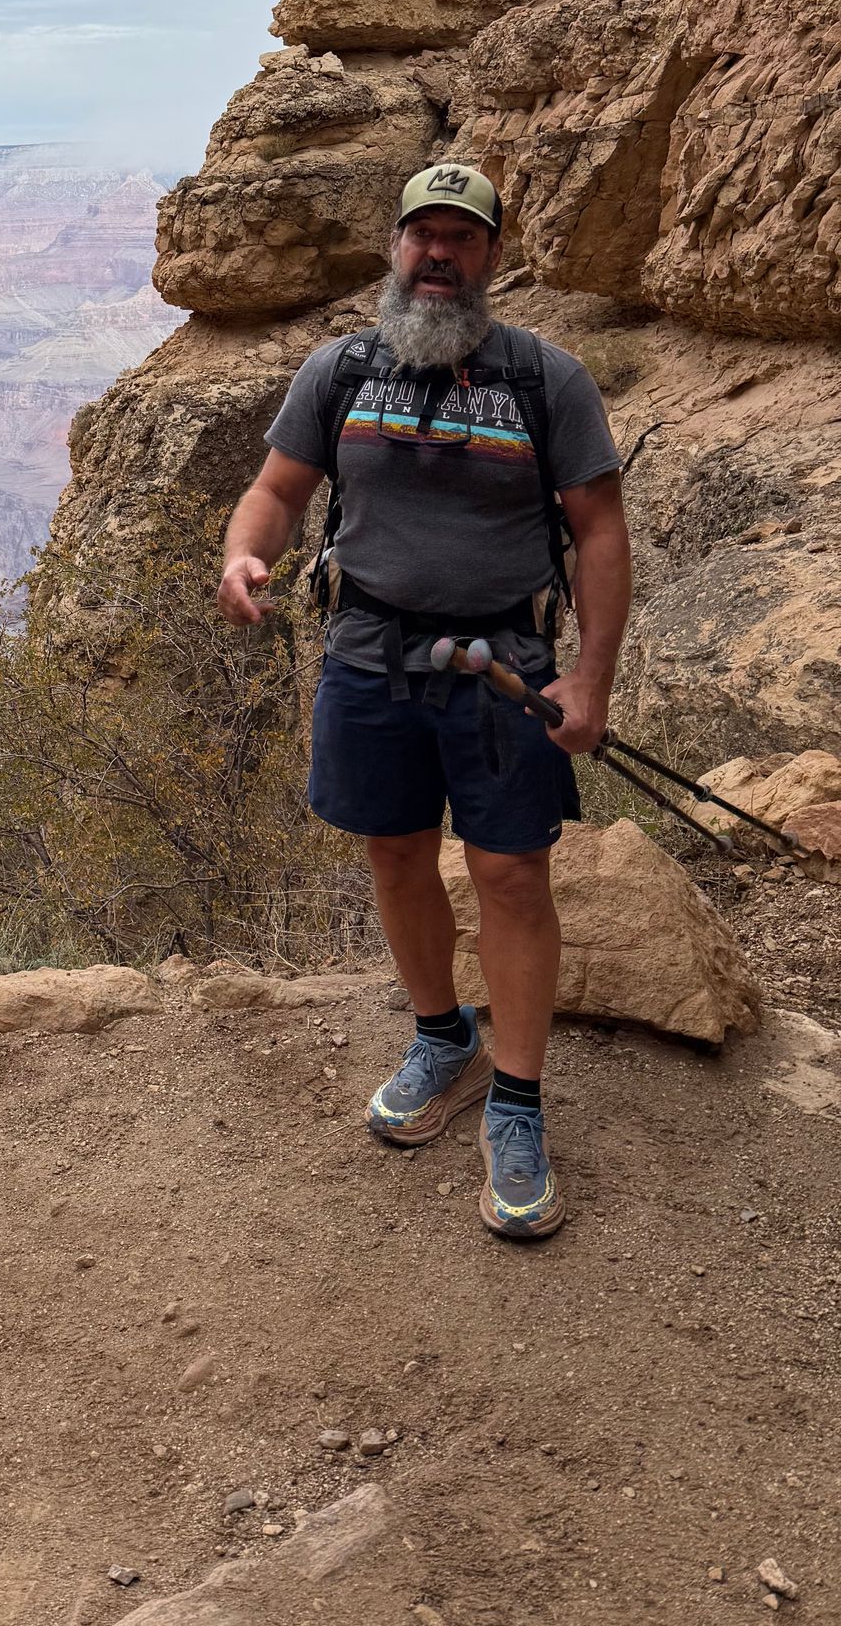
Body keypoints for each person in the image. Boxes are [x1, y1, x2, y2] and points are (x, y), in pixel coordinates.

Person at [215, 162, 629, 1242]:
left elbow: (597, 531)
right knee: (395, 852)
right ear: (394, 248)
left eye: (462, 237)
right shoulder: (340, 368)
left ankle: (519, 1104)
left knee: (509, 873)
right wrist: (244, 557)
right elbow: (274, 492)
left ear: (492, 256)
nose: (438, 254)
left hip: (503, 669)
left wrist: (587, 678)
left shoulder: (547, 379)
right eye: (422, 235)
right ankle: (444, 1035)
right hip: (366, 656)